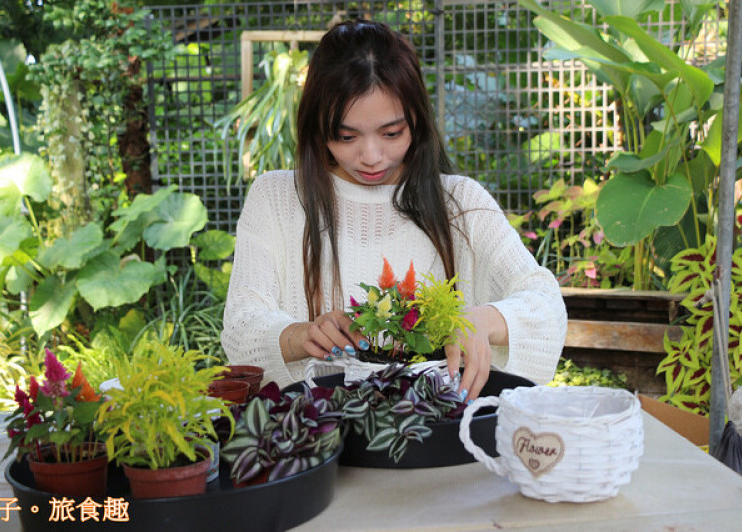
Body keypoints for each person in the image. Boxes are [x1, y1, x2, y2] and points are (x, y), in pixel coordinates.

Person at [221, 19, 567, 400]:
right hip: (315, 440)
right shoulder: (277, 197)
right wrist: (300, 335)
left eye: (391, 134)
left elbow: (546, 306)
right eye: (346, 136)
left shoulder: (461, 204)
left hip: (436, 436)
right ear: (317, 125)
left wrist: (481, 320)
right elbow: (241, 328)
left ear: (416, 121)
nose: (371, 157)